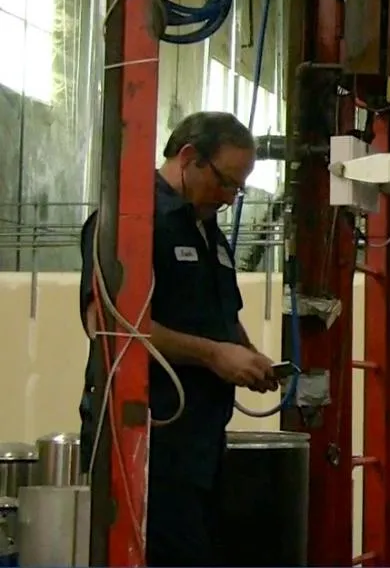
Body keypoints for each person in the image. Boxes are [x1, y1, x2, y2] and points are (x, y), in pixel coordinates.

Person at [77, 111, 279, 566]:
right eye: (226, 182)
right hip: (148, 443)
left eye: (237, 188)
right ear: (189, 157)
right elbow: (106, 325)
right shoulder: (129, 222)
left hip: (202, 443)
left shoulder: (210, 232)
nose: (229, 198)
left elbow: (222, 317)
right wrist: (212, 355)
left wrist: (247, 354)